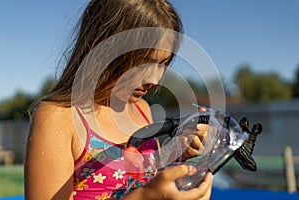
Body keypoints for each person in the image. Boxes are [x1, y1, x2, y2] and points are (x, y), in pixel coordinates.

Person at [24, 0, 213, 199]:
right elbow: (144, 193)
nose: (154, 79)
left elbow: (144, 181)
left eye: (162, 64)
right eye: (142, 62)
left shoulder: (142, 109)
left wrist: (179, 154)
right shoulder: (58, 117)